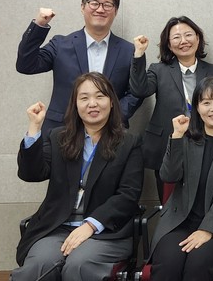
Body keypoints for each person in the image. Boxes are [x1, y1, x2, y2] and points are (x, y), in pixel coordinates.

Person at [12, 72, 143, 281]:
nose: (92, 103)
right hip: (57, 228)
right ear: (75, 104)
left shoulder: (129, 143)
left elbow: (128, 195)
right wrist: (34, 128)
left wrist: (90, 225)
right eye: (84, 98)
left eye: (100, 96)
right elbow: (31, 173)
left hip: (105, 232)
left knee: (78, 265)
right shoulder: (58, 137)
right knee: (39, 266)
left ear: (111, 102)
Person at [148, 77, 213, 280]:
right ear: (197, 107)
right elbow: (168, 176)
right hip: (179, 222)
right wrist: (177, 137)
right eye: (206, 102)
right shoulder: (186, 139)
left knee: (198, 263)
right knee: (168, 263)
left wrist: (207, 230)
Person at [16, 0, 141, 136]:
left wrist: (113, 116)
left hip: (110, 133)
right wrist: (39, 24)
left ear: (115, 11)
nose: (100, 9)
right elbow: (26, 65)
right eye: (94, 3)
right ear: (82, 7)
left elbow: (136, 92)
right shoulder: (60, 45)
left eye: (107, 5)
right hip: (62, 130)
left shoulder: (129, 50)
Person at [129, 16, 213, 202]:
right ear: (169, 45)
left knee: (202, 201)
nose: (183, 41)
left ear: (198, 38)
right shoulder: (159, 70)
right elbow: (139, 90)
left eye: (188, 35)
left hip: (204, 143)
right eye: (176, 37)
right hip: (167, 145)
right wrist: (139, 54)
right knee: (169, 202)